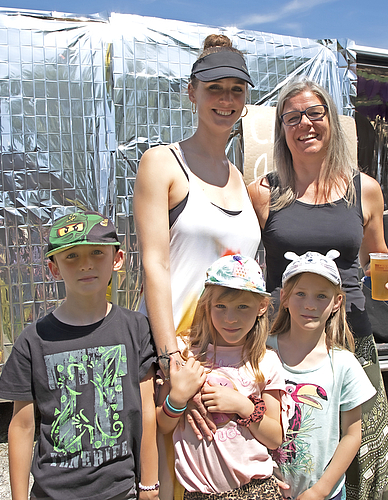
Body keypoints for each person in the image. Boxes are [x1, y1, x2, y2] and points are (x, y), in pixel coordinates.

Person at [248, 76, 388, 500]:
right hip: (282, 341)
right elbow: (242, 272)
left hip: (351, 336)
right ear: (282, 129)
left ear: (332, 122)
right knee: (289, 440)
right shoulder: (265, 193)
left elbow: (380, 272)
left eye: (315, 113)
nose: (305, 124)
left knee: (364, 446)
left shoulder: (364, 189)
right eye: (292, 117)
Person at [133, 33, 261, 499]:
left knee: (221, 474)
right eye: (214, 88)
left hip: (228, 359)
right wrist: (172, 359)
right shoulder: (162, 163)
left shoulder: (244, 185)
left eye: (236, 90)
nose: (225, 100)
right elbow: (155, 265)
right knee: (168, 479)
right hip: (177, 355)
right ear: (192, 92)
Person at [0, 211, 158, 500]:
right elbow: (21, 426)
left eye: (96, 252)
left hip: (120, 490)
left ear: (117, 259)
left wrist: (149, 484)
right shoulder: (33, 341)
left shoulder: (137, 329)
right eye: (71, 256)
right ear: (53, 268)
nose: (85, 264)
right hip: (53, 492)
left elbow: (145, 411)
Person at [156, 254, 288, 499]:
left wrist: (243, 405)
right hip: (199, 493)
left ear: (261, 307)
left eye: (242, 307)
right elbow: (163, 426)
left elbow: (275, 438)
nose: (230, 318)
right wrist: (177, 399)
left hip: (256, 491)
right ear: (207, 304)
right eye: (221, 307)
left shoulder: (266, 361)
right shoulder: (183, 353)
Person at [268, 250, 376, 500]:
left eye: (321, 296)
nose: (309, 304)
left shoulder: (344, 364)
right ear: (284, 297)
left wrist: (320, 490)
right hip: (265, 487)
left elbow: (352, 434)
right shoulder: (262, 351)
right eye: (300, 294)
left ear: (337, 302)